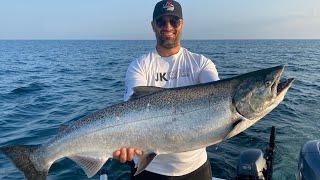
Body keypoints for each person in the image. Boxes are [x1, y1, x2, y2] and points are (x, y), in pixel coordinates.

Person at [113, 0, 219, 179]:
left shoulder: (201, 64)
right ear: (153, 25)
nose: (168, 26)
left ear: (182, 24)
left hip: (196, 169)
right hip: (149, 171)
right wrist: (124, 140)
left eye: (174, 21)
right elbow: (132, 113)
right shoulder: (139, 66)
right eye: (161, 21)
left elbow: (218, 98)